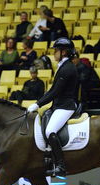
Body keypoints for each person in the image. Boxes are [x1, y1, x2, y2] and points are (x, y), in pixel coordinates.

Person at [27, 38, 78, 176]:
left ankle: (61, 166)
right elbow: (52, 90)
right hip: (58, 105)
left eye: (56, 50)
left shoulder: (67, 68)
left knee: (50, 130)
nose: (54, 53)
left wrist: (38, 104)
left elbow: (56, 92)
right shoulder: (62, 66)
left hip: (66, 106)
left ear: (64, 52)